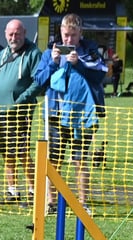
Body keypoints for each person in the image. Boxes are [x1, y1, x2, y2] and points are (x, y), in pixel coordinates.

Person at [34, 13, 106, 215]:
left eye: (73, 36)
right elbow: (39, 81)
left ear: (80, 33)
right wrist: (54, 63)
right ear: (60, 32)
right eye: (66, 35)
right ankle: (52, 202)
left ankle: (82, 203)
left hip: (82, 115)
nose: (69, 40)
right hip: (56, 114)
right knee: (54, 159)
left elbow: (101, 74)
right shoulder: (50, 53)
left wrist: (79, 65)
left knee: (80, 159)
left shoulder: (90, 51)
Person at [0, 19, 42, 205]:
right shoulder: (2, 54)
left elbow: (38, 81)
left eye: (17, 33)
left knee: (22, 151)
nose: (13, 37)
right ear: (5, 34)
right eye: (10, 34)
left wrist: (21, 100)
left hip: (20, 111)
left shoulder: (33, 53)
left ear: (24, 32)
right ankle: (12, 191)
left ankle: (33, 190)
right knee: (6, 152)